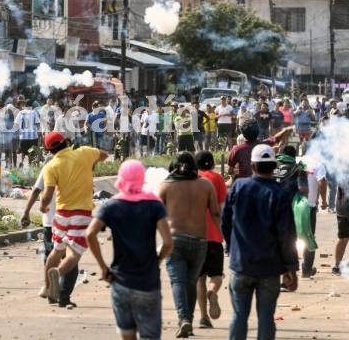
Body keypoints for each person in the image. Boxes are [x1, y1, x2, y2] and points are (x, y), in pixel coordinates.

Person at [85, 160, 173, 340]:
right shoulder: (154, 205)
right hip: (148, 283)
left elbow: (90, 234)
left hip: (121, 283)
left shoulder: (111, 206)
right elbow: (168, 242)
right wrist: (157, 261)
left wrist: (103, 267)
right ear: (142, 179)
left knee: (127, 335)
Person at [222, 144, 299, 340]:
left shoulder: (238, 187)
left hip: (241, 266)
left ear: (253, 165)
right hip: (269, 269)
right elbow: (287, 234)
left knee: (239, 316)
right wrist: (290, 268)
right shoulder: (279, 193)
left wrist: (232, 249)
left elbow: (225, 222)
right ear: (273, 166)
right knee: (266, 317)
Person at [158, 152, 221, 338]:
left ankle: (184, 319)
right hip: (200, 241)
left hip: (174, 241)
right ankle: (189, 320)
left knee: (178, 281)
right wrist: (224, 236)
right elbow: (216, 214)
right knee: (191, 282)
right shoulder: (206, 185)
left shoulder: (165, 186)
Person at [41, 132, 107, 305]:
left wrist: (43, 206)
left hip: (61, 215)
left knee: (56, 251)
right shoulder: (84, 152)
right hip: (81, 215)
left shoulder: (51, 166)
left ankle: (48, 289)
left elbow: (47, 194)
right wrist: (93, 161)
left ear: (49, 150)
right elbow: (104, 155)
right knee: (73, 255)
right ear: (67, 142)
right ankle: (58, 273)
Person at [21, 155, 80, 308]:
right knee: (71, 260)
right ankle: (63, 295)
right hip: (67, 221)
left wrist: (26, 212)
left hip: (49, 224)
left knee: (50, 258)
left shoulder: (47, 168)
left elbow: (35, 191)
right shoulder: (72, 169)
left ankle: (50, 290)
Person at [194, 151, 227, 329]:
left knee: (199, 278)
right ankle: (212, 290)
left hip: (195, 236)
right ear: (213, 163)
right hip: (214, 235)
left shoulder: (192, 179)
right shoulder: (217, 178)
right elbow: (221, 206)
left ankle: (203, 317)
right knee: (216, 275)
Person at [228, 120, 293, 180]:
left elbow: (230, 171)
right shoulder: (263, 145)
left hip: (244, 184)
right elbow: (275, 138)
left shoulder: (236, 150)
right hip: (263, 183)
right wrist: (285, 130)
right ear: (258, 132)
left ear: (243, 134)